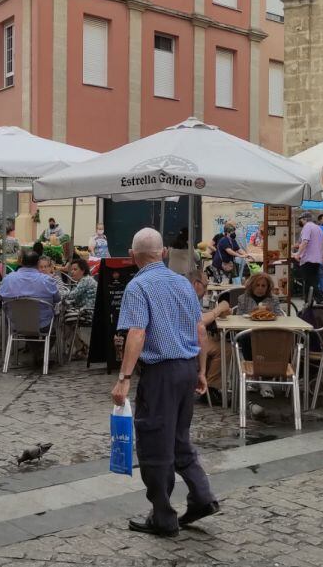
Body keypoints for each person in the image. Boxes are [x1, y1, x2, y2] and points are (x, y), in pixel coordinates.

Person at [112, 227, 217, 536]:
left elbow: (137, 333)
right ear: (164, 253)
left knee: (156, 444)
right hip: (186, 369)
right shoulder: (184, 284)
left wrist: (124, 378)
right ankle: (202, 496)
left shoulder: (138, 286)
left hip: (160, 374)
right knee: (179, 438)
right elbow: (200, 330)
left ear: (132, 256)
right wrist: (200, 371)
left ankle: (162, 516)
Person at [188, 270, 230, 405]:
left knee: (218, 343)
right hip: (187, 342)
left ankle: (210, 386)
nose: (206, 290)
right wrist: (218, 309)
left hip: (185, 340)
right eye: (205, 286)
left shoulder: (186, 294)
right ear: (196, 284)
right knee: (225, 349)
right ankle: (210, 389)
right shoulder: (188, 296)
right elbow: (199, 322)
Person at [0, 249, 60, 333]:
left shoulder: (8, 279)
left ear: (21, 262)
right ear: (37, 264)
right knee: (52, 330)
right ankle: (35, 346)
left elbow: (1, 297)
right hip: (42, 325)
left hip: (16, 324)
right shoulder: (46, 280)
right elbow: (57, 299)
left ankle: (30, 345)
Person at [293, 211, 323, 303]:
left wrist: (298, 254)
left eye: (300, 220)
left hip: (308, 259)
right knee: (311, 280)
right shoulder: (318, 228)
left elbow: (305, 241)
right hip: (317, 259)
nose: (300, 222)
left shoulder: (307, 227)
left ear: (304, 219)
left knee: (309, 282)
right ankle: (308, 302)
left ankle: (320, 299)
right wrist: (321, 255)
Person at [64, 258, 98, 324]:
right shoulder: (81, 280)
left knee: (65, 316)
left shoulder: (86, 280)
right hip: (84, 310)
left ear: (82, 270)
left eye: (75, 269)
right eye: (71, 270)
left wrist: (60, 294)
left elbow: (72, 295)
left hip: (88, 313)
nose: (72, 272)